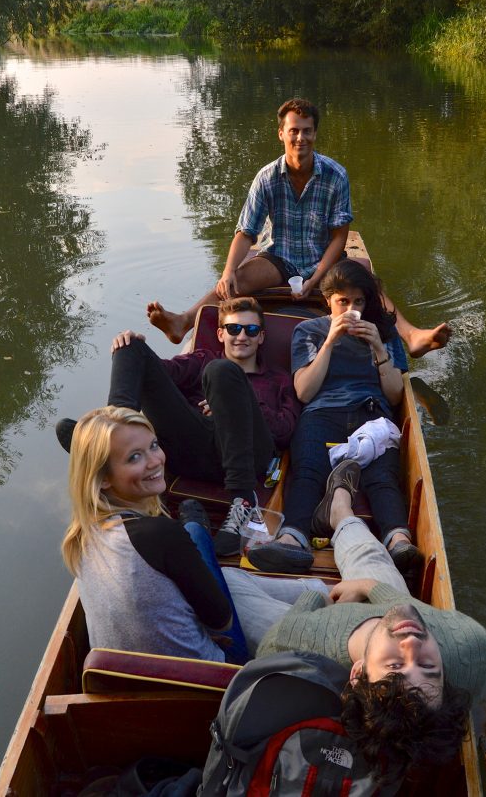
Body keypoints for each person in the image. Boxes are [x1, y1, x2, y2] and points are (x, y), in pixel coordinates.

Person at [222, 461, 486, 783]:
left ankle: (313, 584)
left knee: (225, 582)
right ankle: (339, 510)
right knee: (369, 558)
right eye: (429, 667)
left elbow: (276, 640)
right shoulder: (466, 645)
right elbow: (407, 612)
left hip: (317, 616)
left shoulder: (296, 641)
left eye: (394, 666)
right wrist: (364, 587)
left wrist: (320, 598)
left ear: (358, 671)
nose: (412, 643)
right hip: (381, 607)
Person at [146, 97, 451, 357]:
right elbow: (246, 233)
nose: (300, 139)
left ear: (315, 134)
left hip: (325, 260)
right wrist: (227, 272)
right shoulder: (266, 177)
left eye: (307, 132)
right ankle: (183, 322)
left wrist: (316, 278)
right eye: (294, 131)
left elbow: (339, 237)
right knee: (235, 281)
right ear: (281, 133)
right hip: (279, 258)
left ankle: (411, 337)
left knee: (369, 285)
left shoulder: (335, 175)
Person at [56, 297, 300, 556]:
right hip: (191, 453)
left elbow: (285, 430)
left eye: (251, 330)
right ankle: (108, 442)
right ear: (220, 333)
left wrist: (232, 405)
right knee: (132, 348)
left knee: (222, 372)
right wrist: (133, 347)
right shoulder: (201, 360)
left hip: (248, 460)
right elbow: (155, 374)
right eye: (233, 329)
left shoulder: (279, 379)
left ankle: (243, 503)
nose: (242, 336)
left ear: (261, 337)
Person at [246, 259, 419, 576]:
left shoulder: (385, 332)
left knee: (382, 477)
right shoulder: (309, 331)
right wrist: (330, 341)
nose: (351, 308)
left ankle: (398, 542)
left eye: (358, 301)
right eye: (343, 301)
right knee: (308, 471)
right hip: (322, 411)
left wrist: (379, 347)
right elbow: (304, 392)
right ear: (328, 300)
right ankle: (292, 539)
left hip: (372, 412)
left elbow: (395, 396)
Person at [60, 406, 247, 663]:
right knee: (193, 533)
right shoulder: (160, 535)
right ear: (102, 478)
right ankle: (198, 526)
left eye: (154, 446)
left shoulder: (79, 537)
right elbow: (222, 622)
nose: (155, 461)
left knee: (189, 544)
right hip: (211, 680)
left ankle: (195, 528)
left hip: (121, 686)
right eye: (134, 457)